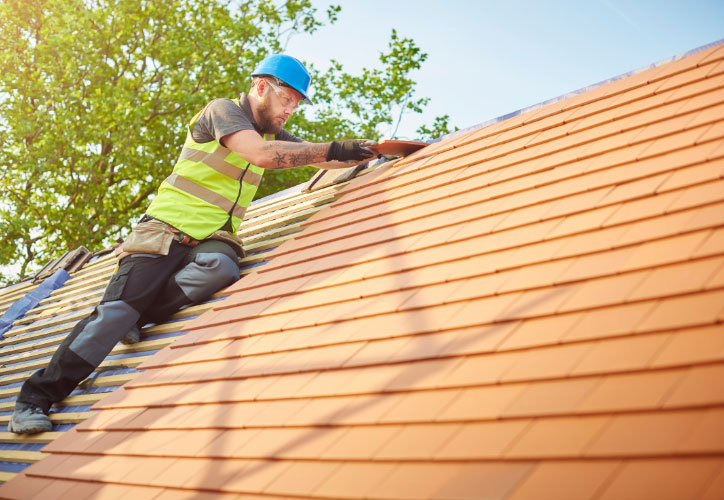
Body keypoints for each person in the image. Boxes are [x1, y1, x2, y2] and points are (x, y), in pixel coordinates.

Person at [9, 54, 376, 434]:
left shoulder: (273, 135)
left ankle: (142, 316)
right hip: (163, 232)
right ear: (262, 87)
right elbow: (263, 157)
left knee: (222, 267)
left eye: (297, 105)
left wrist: (372, 151)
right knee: (112, 316)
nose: (290, 111)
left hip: (208, 242)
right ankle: (35, 397)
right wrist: (336, 149)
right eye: (287, 99)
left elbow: (319, 158)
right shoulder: (222, 112)